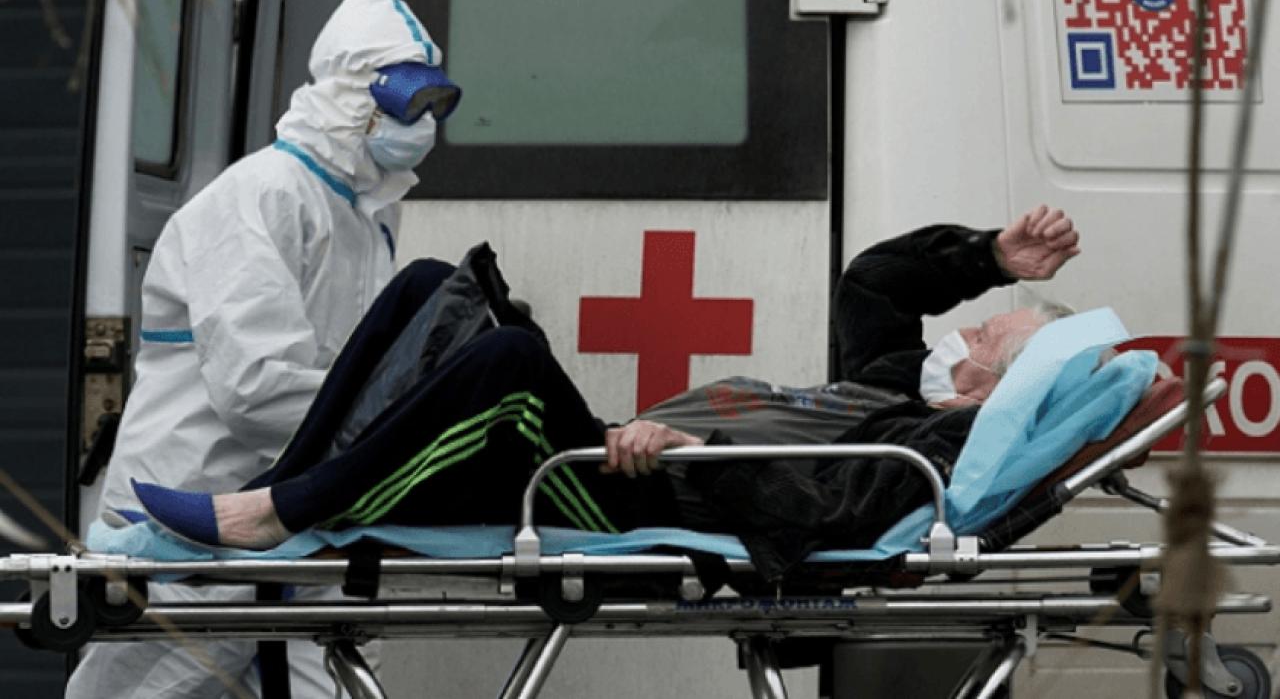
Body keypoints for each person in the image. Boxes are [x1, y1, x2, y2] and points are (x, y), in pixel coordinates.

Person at [131, 205, 1081, 585]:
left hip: (644, 500)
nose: (963, 334)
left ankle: (281, 514)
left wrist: (698, 453)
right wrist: (989, 260)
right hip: (629, 461)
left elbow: (826, 514)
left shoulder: (924, 448)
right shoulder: (887, 388)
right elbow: (875, 284)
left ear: (985, 389)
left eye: (983, 337)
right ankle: (281, 495)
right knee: (430, 284)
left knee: (508, 361)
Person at [66, 0, 460, 698]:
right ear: (349, 94)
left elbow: (351, 372)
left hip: (295, 525)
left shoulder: (365, 217)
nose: (422, 126)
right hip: (192, 521)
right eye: (408, 103)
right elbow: (258, 390)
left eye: (434, 106)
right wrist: (394, 433)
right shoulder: (261, 198)